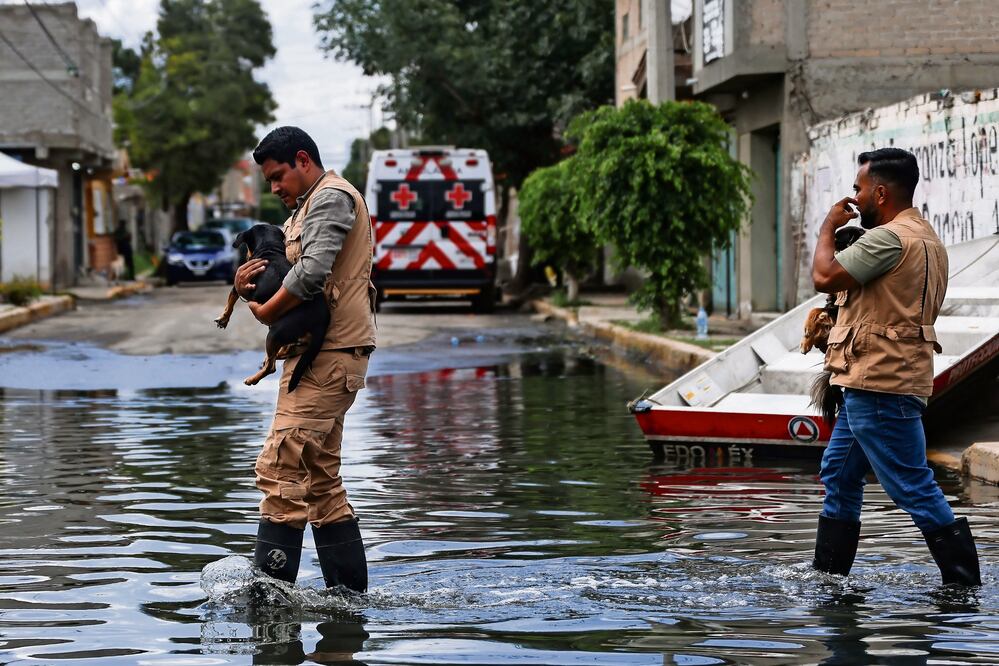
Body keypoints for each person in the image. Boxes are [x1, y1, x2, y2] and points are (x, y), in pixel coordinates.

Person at [810, 147, 980, 586]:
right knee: (839, 471)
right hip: (873, 381)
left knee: (912, 486)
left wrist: (829, 226)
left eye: (859, 189)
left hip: (881, 384)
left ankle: (963, 586)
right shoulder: (927, 238)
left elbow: (824, 276)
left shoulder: (888, 239)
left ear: (880, 192)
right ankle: (829, 579)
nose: (855, 198)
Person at [235, 126, 376, 592]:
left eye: (278, 177)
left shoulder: (331, 197)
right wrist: (245, 286)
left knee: (279, 468)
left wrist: (262, 311)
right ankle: (348, 607)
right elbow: (286, 272)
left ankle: (269, 614)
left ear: (303, 159)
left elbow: (312, 274)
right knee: (319, 482)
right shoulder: (305, 208)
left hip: (332, 354)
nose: (274, 188)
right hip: (313, 357)